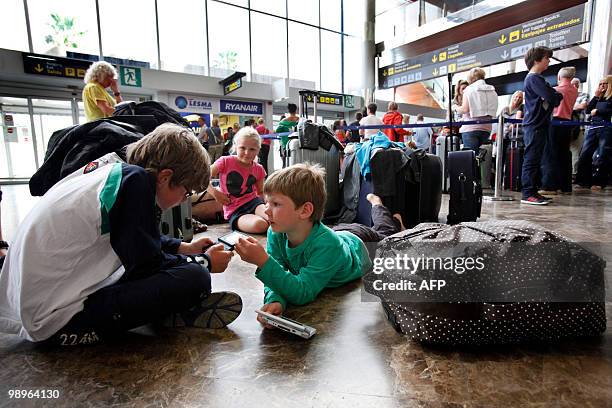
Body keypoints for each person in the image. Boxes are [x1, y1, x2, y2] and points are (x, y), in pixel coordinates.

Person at [0, 124, 241, 346]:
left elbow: (134, 236)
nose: (182, 201)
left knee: (178, 271)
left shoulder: (113, 171)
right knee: (195, 277)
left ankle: (167, 309)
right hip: (54, 322)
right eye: (186, 193)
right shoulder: (137, 182)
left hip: (33, 304)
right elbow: (146, 264)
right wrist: (205, 262)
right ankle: (171, 310)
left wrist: (183, 248)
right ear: (166, 177)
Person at [233, 164, 372, 326]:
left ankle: (377, 205)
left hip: (357, 244)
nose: (266, 211)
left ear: (305, 210)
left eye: (276, 204)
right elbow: (279, 272)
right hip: (329, 233)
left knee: (387, 233)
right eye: (266, 202)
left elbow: (303, 292)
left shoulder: (329, 246)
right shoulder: (276, 232)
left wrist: (263, 261)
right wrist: (275, 300)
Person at [520, 46, 563, 205]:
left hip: (538, 124)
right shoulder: (534, 79)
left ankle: (532, 191)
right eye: (546, 58)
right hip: (535, 124)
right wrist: (554, 95)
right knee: (531, 159)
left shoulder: (537, 79)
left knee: (535, 158)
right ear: (537, 60)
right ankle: (527, 193)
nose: (549, 61)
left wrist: (554, 95)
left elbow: (553, 97)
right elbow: (552, 97)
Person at [209, 127, 269, 234]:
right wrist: (215, 193)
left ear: (258, 150)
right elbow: (202, 178)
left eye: (252, 149)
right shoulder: (225, 161)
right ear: (235, 146)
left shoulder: (259, 168)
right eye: (242, 148)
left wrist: (270, 205)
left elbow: (261, 192)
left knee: (273, 218)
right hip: (235, 210)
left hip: (254, 203)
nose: (247, 153)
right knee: (260, 225)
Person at [540, 67, 578, 195]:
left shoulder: (556, 90)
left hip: (554, 123)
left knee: (550, 154)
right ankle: (565, 186)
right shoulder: (574, 90)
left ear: (559, 76)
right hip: (567, 123)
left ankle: (550, 186)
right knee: (564, 154)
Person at [575, 75, 612, 192]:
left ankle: (599, 182)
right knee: (585, 153)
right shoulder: (598, 98)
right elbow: (587, 110)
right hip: (592, 127)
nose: (602, 86)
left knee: (602, 155)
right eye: (600, 84)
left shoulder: (610, 98)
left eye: (604, 84)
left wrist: (598, 110)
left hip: (605, 128)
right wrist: (596, 97)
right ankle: (583, 181)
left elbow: (608, 109)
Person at [456, 68, 498, 153]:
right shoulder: (493, 91)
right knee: (481, 159)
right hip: (486, 129)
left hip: (470, 128)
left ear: (471, 78)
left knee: (470, 158)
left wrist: (455, 108)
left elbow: (464, 109)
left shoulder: (469, 90)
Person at [570, 78, 590, 175]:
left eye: (576, 84)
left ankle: (574, 174)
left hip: (579, 127)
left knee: (576, 151)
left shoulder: (584, 95)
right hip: (565, 127)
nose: (574, 86)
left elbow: (582, 106)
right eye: (572, 83)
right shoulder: (566, 95)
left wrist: (569, 108)